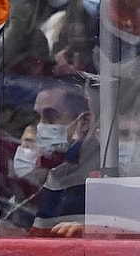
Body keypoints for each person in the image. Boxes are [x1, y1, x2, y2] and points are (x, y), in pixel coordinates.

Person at [27, 79, 99, 237]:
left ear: (85, 121)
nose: (40, 126)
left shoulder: (98, 174)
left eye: (51, 116)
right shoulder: (59, 170)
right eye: (38, 118)